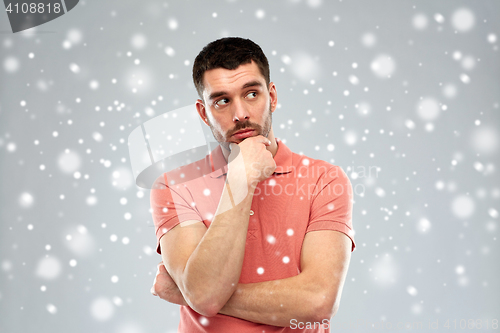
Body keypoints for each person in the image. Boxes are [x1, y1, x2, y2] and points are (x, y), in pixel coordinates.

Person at [149, 37, 355, 332]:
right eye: (222, 101)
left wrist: (188, 293)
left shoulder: (325, 180)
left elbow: (318, 302)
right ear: (203, 113)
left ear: (271, 97)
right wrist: (241, 178)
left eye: (251, 94)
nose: (240, 114)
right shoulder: (174, 185)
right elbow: (205, 295)